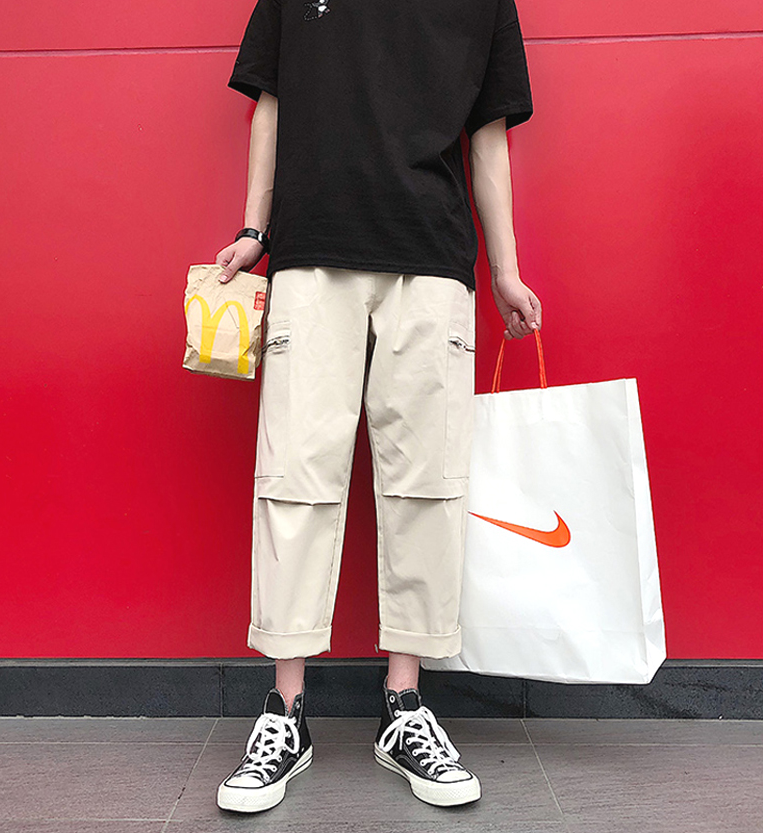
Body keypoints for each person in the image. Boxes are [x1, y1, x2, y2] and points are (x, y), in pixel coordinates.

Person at [214, 0, 541, 814]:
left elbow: (487, 134)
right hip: (310, 254)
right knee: (293, 478)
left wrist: (504, 268)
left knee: (427, 486)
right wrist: (255, 227)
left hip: (431, 259)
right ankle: (285, 710)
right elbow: (271, 102)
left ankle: (404, 703)